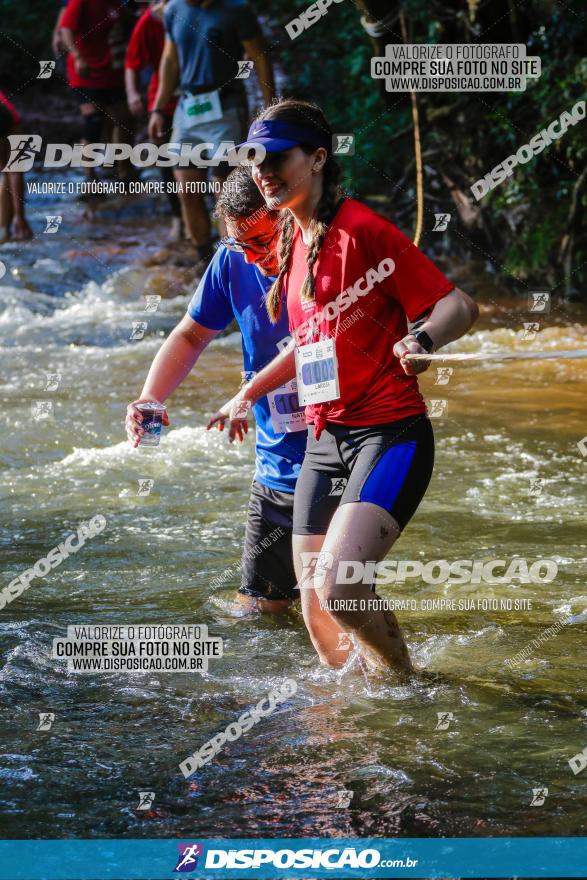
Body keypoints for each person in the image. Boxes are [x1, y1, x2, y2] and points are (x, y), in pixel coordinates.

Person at [208, 98, 479, 675]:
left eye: (277, 158)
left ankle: (406, 692)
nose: (263, 171)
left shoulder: (362, 230)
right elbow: (310, 345)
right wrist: (248, 394)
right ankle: (358, 719)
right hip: (326, 440)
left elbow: (458, 304)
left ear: (318, 159)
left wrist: (423, 340)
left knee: (339, 586)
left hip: (390, 431)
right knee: (316, 610)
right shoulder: (292, 240)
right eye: (255, 160)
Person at [125, 166, 306, 613]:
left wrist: (246, 394)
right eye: (237, 243)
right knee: (261, 612)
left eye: (259, 241)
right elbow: (190, 335)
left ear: (287, 217)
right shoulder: (234, 261)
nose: (248, 256)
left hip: (341, 451)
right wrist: (151, 396)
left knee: (333, 604)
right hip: (277, 461)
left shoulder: (323, 255)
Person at [148, 0, 276, 266]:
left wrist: (271, 107)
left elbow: (260, 56)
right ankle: (203, 262)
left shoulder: (236, 10)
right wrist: (158, 109)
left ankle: (231, 263)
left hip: (226, 108)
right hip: (188, 109)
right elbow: (170, 59)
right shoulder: (174, 10)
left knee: (224, 192)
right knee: (187, 189)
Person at [124, 0, 183, 240]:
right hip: (163, 101)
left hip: (195, 100)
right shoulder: (148, 21)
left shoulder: (192, 12)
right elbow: (131, 61)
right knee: (167, 163)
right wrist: (132, 93)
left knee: (199, 162)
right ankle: (178, 217)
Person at [60, 0, 135, 181]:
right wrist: (78, 57)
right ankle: (89, 176)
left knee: (124, 119)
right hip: (87, 71)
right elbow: (65, 29)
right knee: (93, 121)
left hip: (113, 69)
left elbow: (127, 21)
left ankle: (123, 171)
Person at [0, 90, 33, 243]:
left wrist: (20, 216)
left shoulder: (11, 120)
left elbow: (14, 171)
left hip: (8, 118)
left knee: (9, 170)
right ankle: (7, 227)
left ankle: (7, 227)